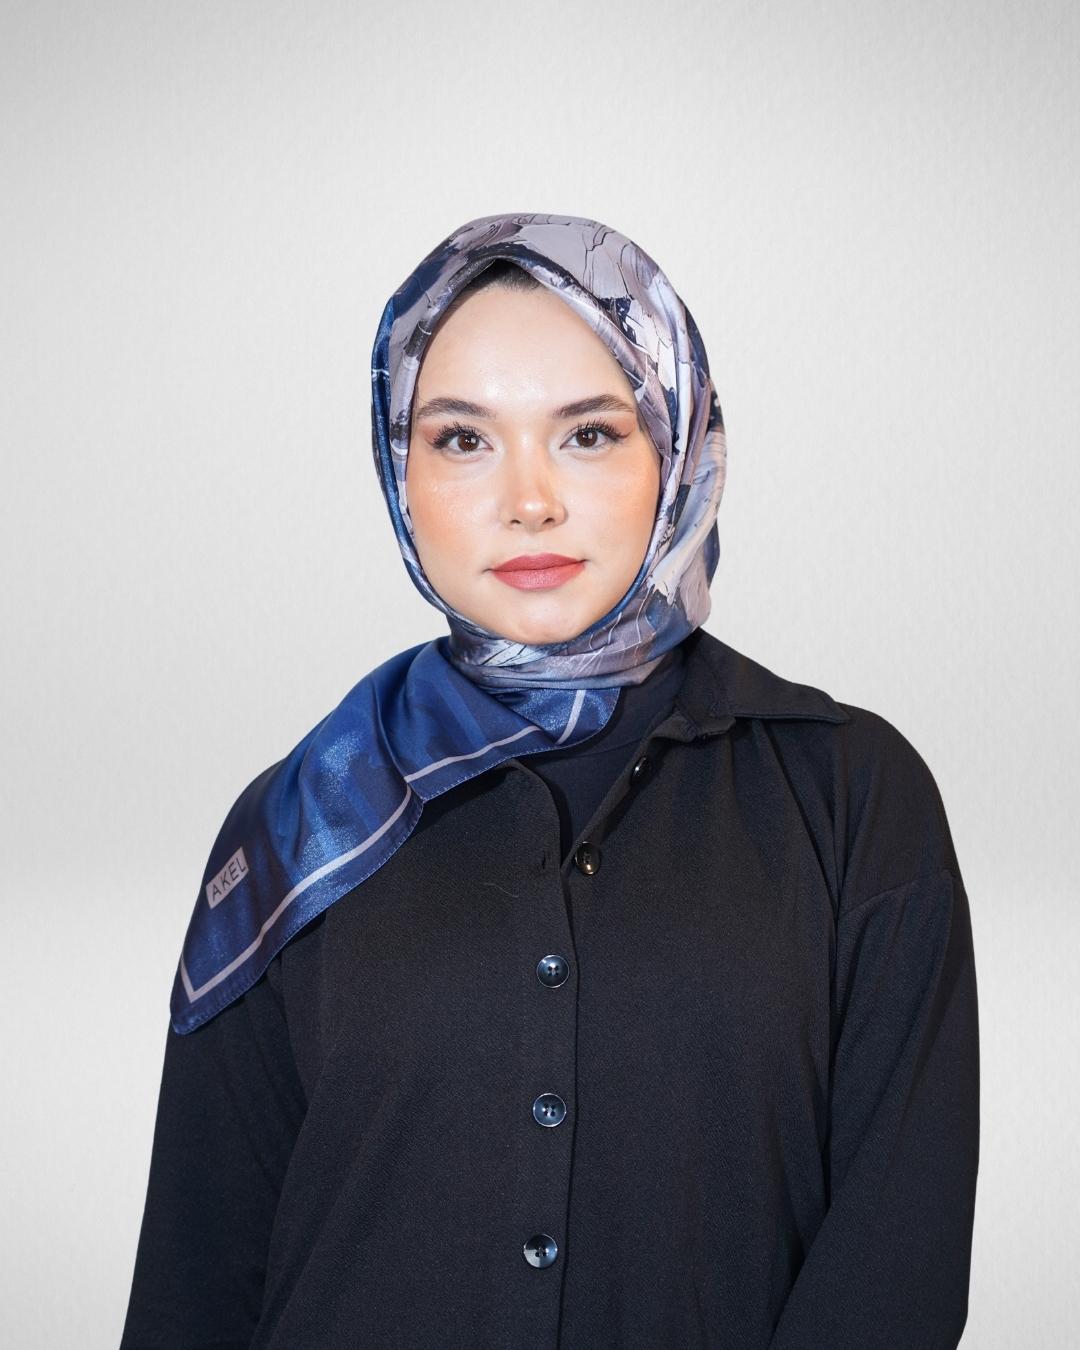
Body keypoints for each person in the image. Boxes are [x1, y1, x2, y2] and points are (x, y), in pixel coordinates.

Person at [119, 213, 980, 1349]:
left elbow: (894, 1270)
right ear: (400, 472)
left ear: (677, 447)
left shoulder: (853, 799)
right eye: (461, 440)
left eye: (588, 433)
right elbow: (197, 1279)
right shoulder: (303, 822)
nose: (528, 499)